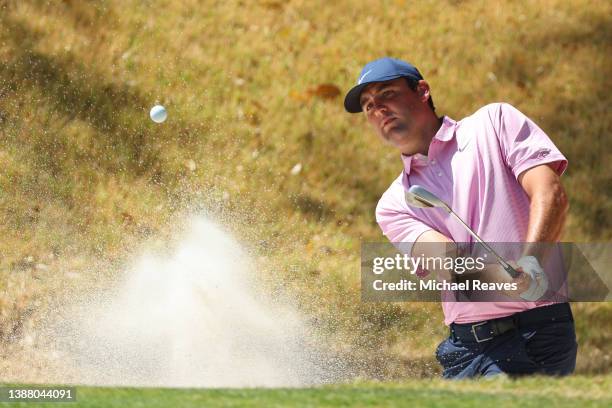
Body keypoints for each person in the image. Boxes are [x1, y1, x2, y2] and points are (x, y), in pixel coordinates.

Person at [344, 57, 577, 379]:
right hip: (462, 349)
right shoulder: (394, 204)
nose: (378, 109)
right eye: (369, 106)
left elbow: (550, 193)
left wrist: (532, 261)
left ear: (422, 91)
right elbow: (451, 265)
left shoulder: (494, 123)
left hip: (531, 335)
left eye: (387, 93)